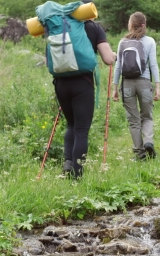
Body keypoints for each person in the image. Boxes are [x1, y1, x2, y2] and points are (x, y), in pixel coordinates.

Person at [56, 0, 116, 178]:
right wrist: (113, 55)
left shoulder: (61, 26)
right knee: (82, 129)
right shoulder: (94, 28)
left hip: (60, 82)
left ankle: (68, 163)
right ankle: (77, 174)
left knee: (71, 124)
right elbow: (108, 59)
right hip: (83, 84)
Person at [112, 12, 160, 161]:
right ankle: (148, 142)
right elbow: (153, 64)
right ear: (143, 24)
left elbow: (118, 67)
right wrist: (157, 86)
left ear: (130, 25)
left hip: (127, 84)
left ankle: (140, 154)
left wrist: (114, 87)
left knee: (133, 120)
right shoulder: (150, 41)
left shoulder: (122, 42)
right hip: (144, 83)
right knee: (147, 116)